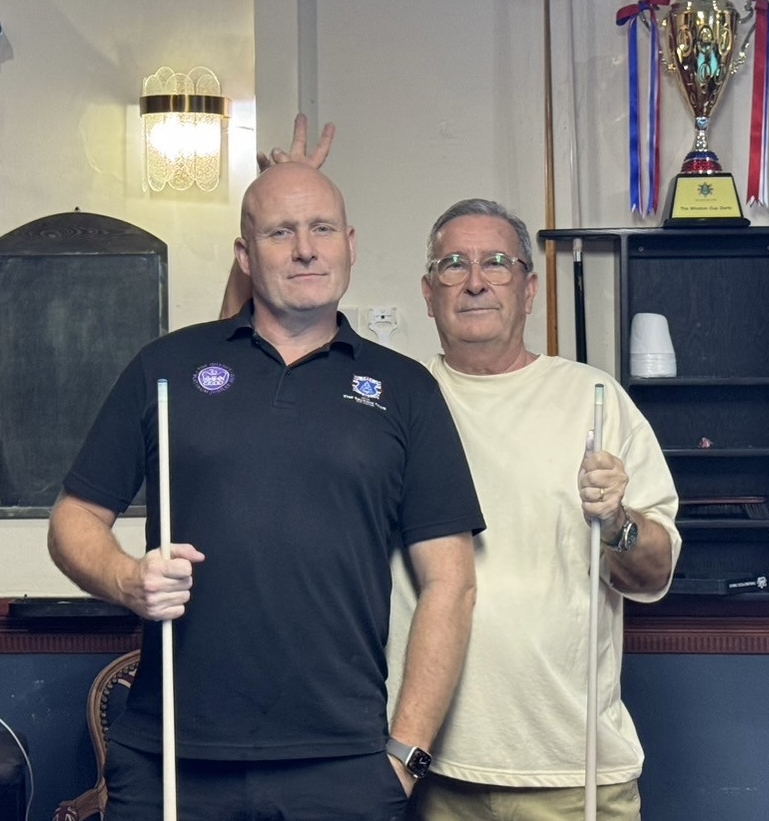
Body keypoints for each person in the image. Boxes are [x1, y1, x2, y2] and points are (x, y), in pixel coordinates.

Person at [48, 156, 484, 821]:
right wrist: (125, 579)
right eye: (281, 232)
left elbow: (452, 583)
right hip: (171, 759)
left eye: (322, 229)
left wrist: (404, 757)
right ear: (245, 255)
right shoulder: (168, 367)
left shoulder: (406, 390)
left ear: (350, 244)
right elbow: (74, 518)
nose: (306, 249)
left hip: (344, 767)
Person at [387, 197, 681, 821]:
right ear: (428, 292)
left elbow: (654, 574)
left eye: (496, 262)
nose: (475, 281)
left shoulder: (596, 399)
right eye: (453, 265)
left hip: (573, 772)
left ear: (529, 289)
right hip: (428, 767)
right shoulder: (396, 404)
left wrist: (618, 522)